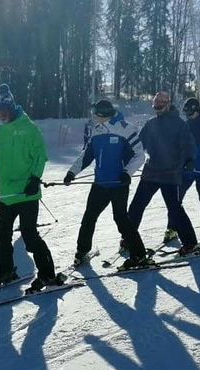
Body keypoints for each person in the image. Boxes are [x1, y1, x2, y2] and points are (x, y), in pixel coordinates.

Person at [0, 83, 62, 293]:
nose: (0, 116)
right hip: (6, 194)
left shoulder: (29, 129)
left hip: (27, 193)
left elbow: (41, 156)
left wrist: (34, 179)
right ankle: (5, 270)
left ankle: (48, 272)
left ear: (11, 108)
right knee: (1, 235)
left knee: (30, 237)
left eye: (3, 112)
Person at [63, 99, 151, 270]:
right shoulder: (96, 131)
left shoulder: (126, 129)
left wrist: (127, 173)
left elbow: (139, 155)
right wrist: (71, 172)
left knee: (121, 219)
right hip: (100, 184)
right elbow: (86, 155)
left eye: (95, 114)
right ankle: (82, 251)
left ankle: (139, 255)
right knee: (89, 217)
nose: (93, 117)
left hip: (119, 185)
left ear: (102, 115)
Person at [126, 91, 200, 255]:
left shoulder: (179, 124)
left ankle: (190, 243)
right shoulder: (151, 123)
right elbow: (139, 145)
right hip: (151, 171)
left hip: (170, 173)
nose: (158, 108)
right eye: (156, 106)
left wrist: (190, 160)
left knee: (174, 209)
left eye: (161, 105)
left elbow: (189, 144)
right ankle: (129, 237)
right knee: (137, 205)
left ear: (167, 105)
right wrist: (126, 155)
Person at [163, 97, 200, 245]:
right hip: (186, 169)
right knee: (175, 200)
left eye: (190, 113)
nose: (188, 116)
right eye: (186, 114)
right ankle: (173, 228)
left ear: (196, 110)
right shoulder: (185, 125)